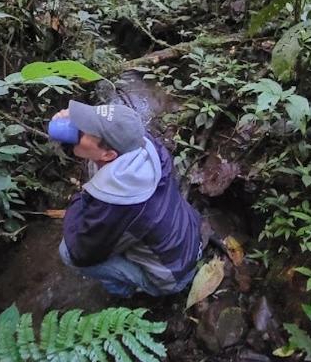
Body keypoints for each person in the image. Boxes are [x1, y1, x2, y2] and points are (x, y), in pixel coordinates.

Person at [55, 100, 202, 298]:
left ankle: (123, 293)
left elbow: (81, 254)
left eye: (84, 130)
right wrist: (73, 115)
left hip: (173, 276)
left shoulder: (118, 206)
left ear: (108, 155)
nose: (77, 128)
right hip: (187, 241)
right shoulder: (146, 146)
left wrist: (76, 203)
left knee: (67, 253)